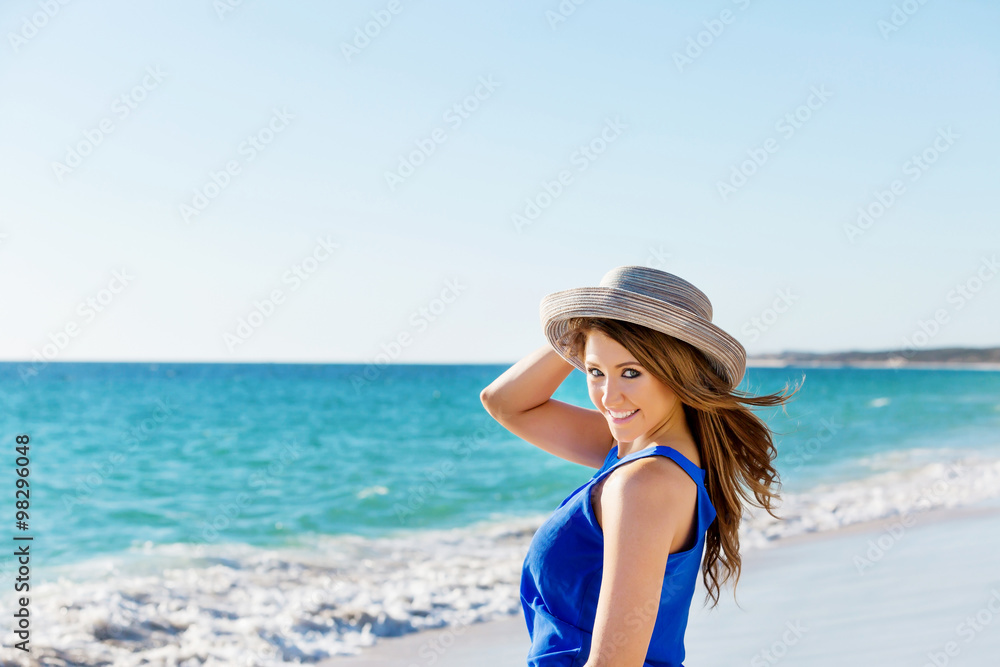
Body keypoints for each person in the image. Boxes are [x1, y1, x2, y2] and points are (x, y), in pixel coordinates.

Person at [480, 265, 801, 666]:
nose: (609, 397)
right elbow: (503, 402)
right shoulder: (634, 450)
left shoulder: (644, 482)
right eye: (595, 372)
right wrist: (587, 321)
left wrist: (599, 319)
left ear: (680, 373)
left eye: (631, 372)